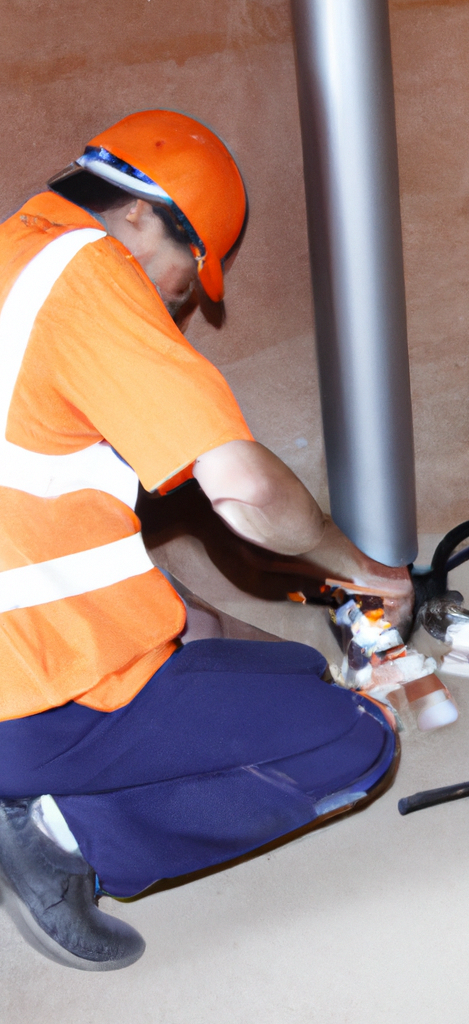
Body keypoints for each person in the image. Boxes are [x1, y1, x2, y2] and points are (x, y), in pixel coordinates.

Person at [0, 110, 414, 971]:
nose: (172, 310)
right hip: (30, 705)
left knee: (298, 677)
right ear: (143, 215)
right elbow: (249, 492)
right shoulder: (88, 272)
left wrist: (274, 657)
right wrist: (362, 570)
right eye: (183, 287)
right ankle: (56, 836)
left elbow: (74, 545)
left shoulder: (16, 261)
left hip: (36, 659)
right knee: (357, 738)